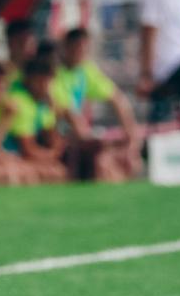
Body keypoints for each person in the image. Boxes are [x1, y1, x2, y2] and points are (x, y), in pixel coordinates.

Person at [51, 27, 142, 181]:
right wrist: (97, 143)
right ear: (65, 47)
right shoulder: (54, 74)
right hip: (59, 139)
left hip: (79, 138)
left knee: (128, 161)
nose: (80, 53)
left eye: (83, 49)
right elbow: (70, 117)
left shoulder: (85, 71)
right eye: (76, 48)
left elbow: (118, 100)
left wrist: (132, 140)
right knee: (104, 163)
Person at [9, 56, 68, 182]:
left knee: (59, 170)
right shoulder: (19, 100)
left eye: (48, 81)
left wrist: (54, 112)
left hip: (24, 156)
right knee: (49, 172)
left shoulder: (42, 103)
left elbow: (51, 137)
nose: (45, 86)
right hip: (11, 154)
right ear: (29, 80)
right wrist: (52, 155)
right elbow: (27, 149)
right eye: (41, 81)